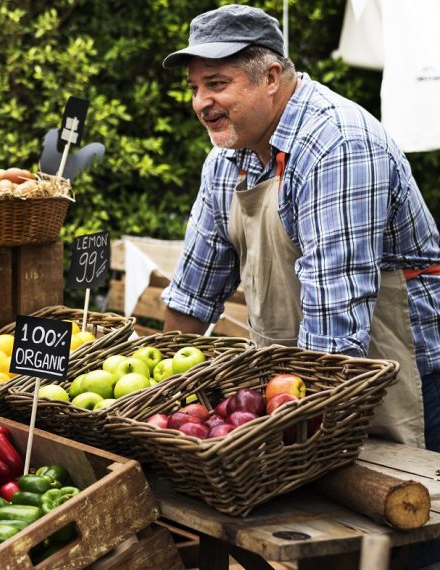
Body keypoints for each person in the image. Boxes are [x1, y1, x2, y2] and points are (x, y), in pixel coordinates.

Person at [161, 7, 440, 565]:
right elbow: (191, 295)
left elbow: (338, 333)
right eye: (195, 87)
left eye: (217, 83)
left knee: (403, 544)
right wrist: (167, 399)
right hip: (302, 387)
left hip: (399, 379)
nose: (200, 102)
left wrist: (276, 424)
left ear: (271, 77)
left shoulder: (335, 143)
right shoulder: (229, 158)